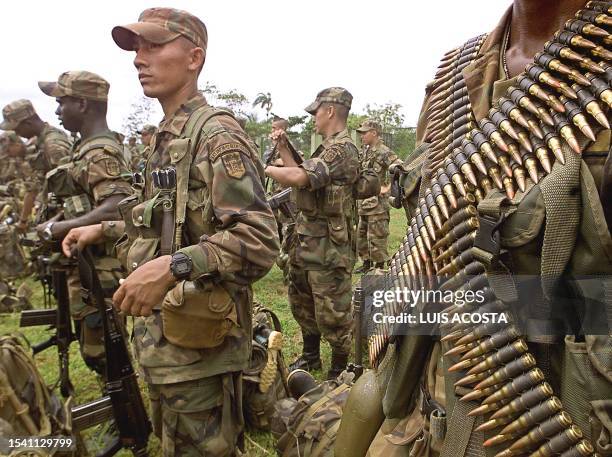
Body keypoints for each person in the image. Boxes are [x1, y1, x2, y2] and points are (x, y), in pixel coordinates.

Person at [352, 1, 612, 455]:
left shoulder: (597, 67)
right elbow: (434, 238)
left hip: (560, 416)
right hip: (435, 408)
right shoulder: (453, 79)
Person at [62, 8, 279, 455]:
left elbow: (259, 239)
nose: (139, 58)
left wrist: (172, 267)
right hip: (169, 343)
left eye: (154, 46)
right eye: (136, 48)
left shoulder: (217, 134)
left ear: (194, 57)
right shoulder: (167, 136)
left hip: (201, 353)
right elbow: (161, 221)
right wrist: (100, 229)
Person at [37, 70, 133, 378]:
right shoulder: (87, 147)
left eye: (61, 102)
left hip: (102, 266)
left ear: (81, 104)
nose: (56, 111)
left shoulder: (100, 151)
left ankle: (126, 419)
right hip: (88, 261)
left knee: (104, 345)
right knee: (95, 343)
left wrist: (61, 229)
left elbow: (117, 204)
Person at [265, 87, 359, 379]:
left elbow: (298, 176)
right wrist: (283, 148)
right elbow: (302, 179)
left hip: (329, 245)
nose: (313, 118)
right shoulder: (327, 147)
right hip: (307, 240)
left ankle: (341, 366)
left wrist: (262, 167)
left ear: (330, 110)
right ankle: (310, 356)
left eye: (316, 112)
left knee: (332, 308)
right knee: (303, 302)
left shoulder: (342, 149)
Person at [0, 99, 71, 232]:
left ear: (28, 122)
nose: (17, 134)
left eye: (16, 128)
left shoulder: (53, 145)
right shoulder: (42, 142)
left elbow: (71, 192)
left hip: (67, 219)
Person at [355, 119, 401, 273]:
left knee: (377, 236)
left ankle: (379, 265)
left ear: (374, 133)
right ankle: (366, 263)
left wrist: (387, 188)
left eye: (364, 132)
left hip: (378, 205)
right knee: (362, 236)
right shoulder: (364, 151)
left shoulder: (384, 151)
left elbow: (399, 168)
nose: (362, 136)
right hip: (364, 203)